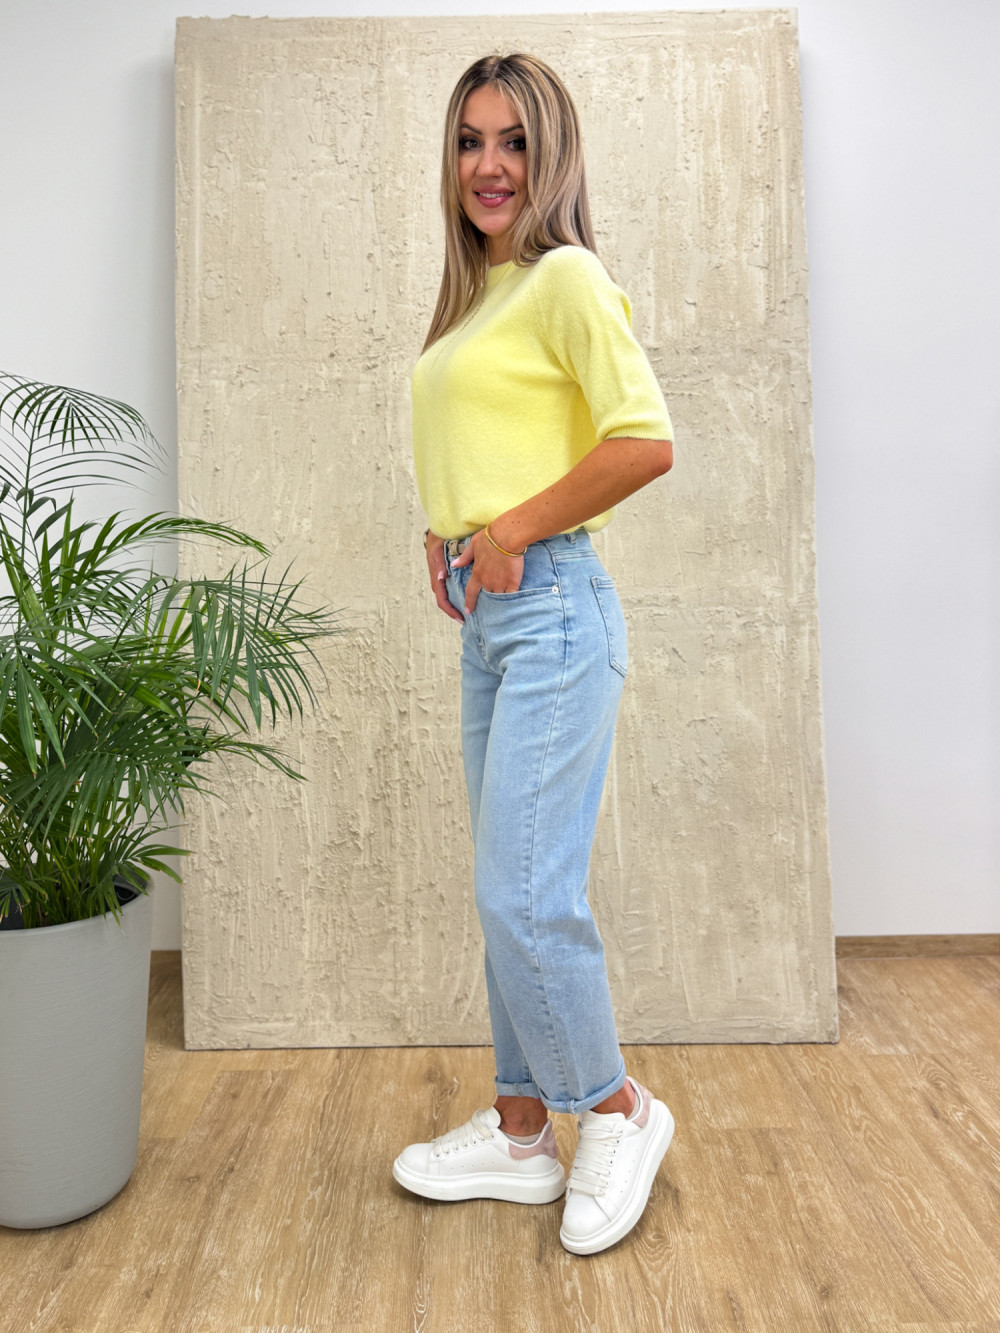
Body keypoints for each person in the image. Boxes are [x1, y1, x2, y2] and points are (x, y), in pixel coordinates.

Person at [392, 52, 675, 1257]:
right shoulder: (480, 295)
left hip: (556, 612)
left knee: (524, 890)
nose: (489, 165)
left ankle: (614, 1110)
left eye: (512, 141)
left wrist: (506, 530)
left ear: (550, 154)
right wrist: (448, 528)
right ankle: (519, 1133)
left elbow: (642, 440)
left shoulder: (565, 278)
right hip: (496, 624)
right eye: (469, 141)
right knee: (501, 886)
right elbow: (491, 439)